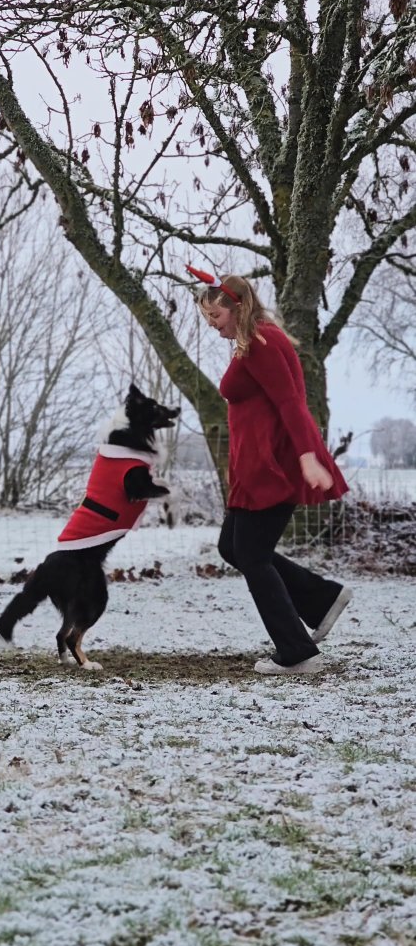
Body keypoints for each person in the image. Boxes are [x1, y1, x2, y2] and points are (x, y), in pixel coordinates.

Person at [189, 266, 352, 676]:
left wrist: (307, 456)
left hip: (272, 466)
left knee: (252, 556)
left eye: (216, 317)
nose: (212, 326)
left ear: (237, 308)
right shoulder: (254, 340)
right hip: (253, 465)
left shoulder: (262, 342)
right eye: (207, 318)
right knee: (234, 548)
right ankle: (321, 600)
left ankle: (296, 652)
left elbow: (291, 404)